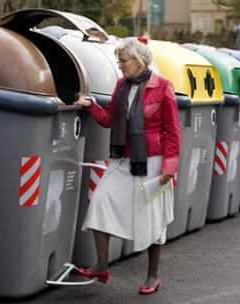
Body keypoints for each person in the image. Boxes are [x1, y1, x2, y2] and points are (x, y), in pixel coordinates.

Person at [73, 37, 181, 295]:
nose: (119, 65)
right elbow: (110, 119)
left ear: (139, 60)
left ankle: (153, 275)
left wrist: (169, 167)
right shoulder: (121, 85)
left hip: (152, 162)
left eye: (123, 60)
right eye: (118, 60)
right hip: (123, 158)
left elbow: (174, 133)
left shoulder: (163, 87)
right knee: (100, 200)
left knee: (152, 221)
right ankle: (101, 264)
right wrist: (91, 106)